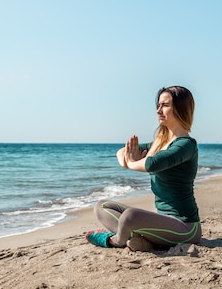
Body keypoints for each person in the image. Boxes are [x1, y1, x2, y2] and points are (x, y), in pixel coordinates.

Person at [86, 85, 201, 251]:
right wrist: (127, 160)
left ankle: (116, 240)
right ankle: (143, 240)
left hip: (186, 227)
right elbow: (121, 151)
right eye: (158, 105)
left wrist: (132, 163)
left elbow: (153, 163)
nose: (158, 110)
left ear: (181, 108)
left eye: (165, 105)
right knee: (101, 206)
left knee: (130, 216)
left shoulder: (186, 145)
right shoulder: (159, 143)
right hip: (161, 220)